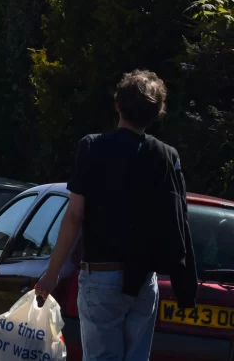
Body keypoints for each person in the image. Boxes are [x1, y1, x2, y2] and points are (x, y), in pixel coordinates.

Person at [35, 70, 197, 361]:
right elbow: (178, 218)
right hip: (144, 279)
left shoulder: (92, 147)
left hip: (102, 275)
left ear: (118, 105)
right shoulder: (166, 156)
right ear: (156, 113)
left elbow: (74, 216)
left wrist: (52, 273)